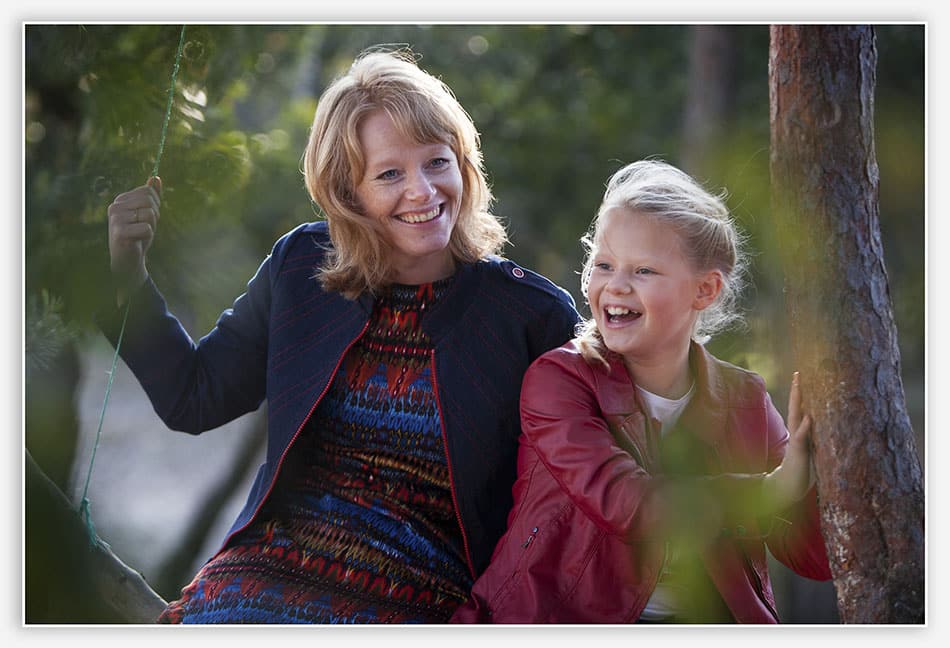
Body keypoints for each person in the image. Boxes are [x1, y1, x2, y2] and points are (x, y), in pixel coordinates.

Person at [100, 47, 580, 624]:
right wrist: (126, 277)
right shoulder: (302, 266)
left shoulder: (530, 315)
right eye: (390, 174)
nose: (423, 191)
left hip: (423, 593)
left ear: (464, 166)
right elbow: (193, 397)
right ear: (348, 194)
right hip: (267, 570)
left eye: (437, 162)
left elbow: (571, 492)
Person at [450, 159, 832, 624]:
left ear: (705, 290)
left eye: (644, 271)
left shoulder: (744, 400)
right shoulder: (560, 380)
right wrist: (771, 489)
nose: (616, 286)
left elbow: (811, 558)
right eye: (604, 265)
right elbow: (627, 504)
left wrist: (824, 463)